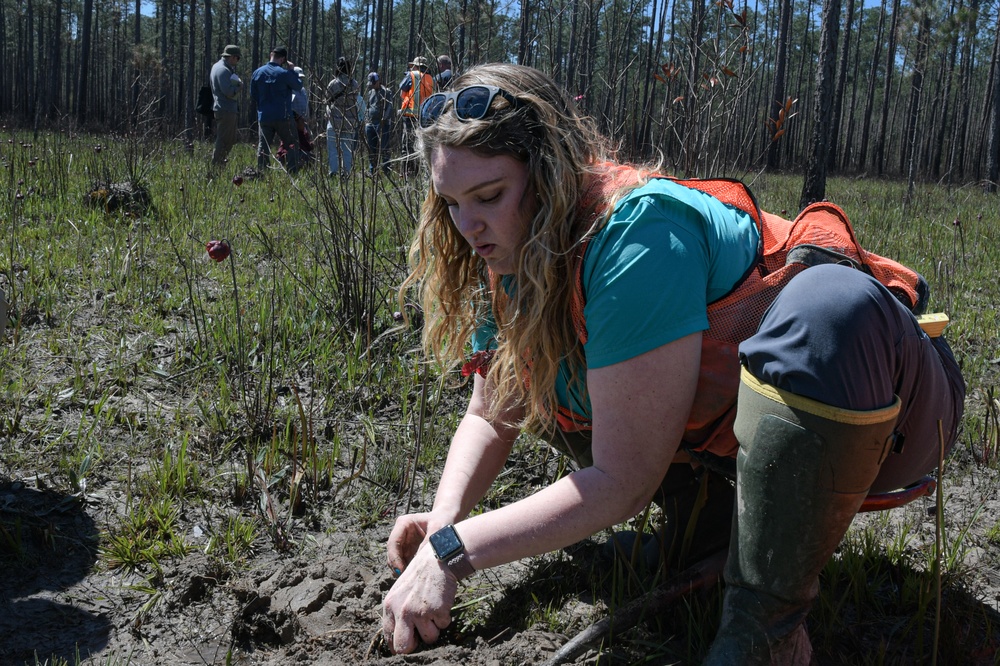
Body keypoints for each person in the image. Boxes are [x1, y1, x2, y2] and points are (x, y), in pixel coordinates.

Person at [380, 63, 965, 663]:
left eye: (489, 195)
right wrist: (441, 523)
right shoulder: (518, 251)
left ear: (550, 171)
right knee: (560, 375)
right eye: (450, 202)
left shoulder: (637, 237)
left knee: (829, 307)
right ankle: (712, 538)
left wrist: (456, 549)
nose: (467, 224)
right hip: (735, 434)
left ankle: (765, 633)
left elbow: (623, 479)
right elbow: (491, 408)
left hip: (894, 399)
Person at [249, 46, 303, 173]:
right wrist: (292, 70)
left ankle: (262, 173)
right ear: (283, 59)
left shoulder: (257, 73)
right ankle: (292, 172)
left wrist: (264, 105)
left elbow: (253, 94)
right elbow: (298, 85)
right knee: (292, 144)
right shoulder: (284, 73)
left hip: (265, 116)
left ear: (271, 55)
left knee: (263, 147)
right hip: (283, 117)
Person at [398, 56, 435, 174]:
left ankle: (406, 173)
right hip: (425, 118)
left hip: (410, 116)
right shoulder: (431, 79)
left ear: (417, 66)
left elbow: (402, 90)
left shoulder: (412, 75)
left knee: (407, 146)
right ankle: (417, 172)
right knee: (419, 146)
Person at [209, 44, 243, 167]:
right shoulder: (223, 70)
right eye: (237, 58)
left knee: (228, 139)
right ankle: (217, 166)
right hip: (226, 109)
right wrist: (239, 86)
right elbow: (228, 91)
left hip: (224, 109)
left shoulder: (218, 67)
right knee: (224, 140)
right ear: (232, 57)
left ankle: (219, 164)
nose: (237, 61)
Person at [326, 56, 360, 176]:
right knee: (347, 150)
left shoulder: (333, 83)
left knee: (333, 149)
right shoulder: (354, 84)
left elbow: (327, 100)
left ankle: (334, 172)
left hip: (334, 120)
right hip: (350, 121)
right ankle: (346, 173)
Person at [363, 72, 393, 174]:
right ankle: (373, 170)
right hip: (370, 123)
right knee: (372, 149)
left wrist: (384, 119)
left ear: (378, 81)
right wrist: (366, 120)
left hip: (382, 124)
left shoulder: (386, 92)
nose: (372, 85)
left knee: (384, 147)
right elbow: (367, 107)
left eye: (373, 83)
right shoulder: (370, 93)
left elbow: (389, 107)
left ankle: (386, 170)